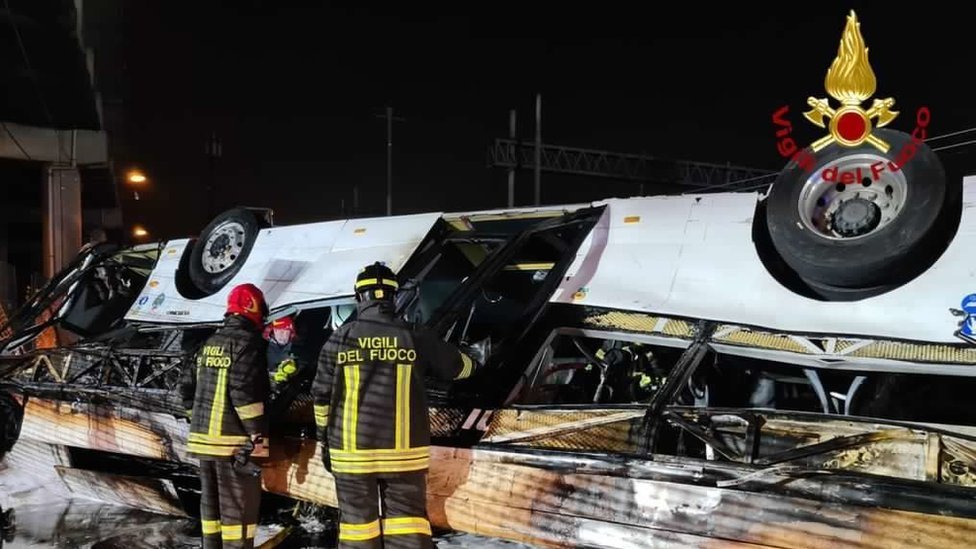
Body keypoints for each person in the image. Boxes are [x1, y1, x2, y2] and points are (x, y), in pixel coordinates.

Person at [312, 262, 484, 549]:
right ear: (394, 297)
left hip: (352, 455)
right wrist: (476, 363)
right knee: (407, 527)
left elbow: (321, 398)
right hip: (404, 454)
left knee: (357, 528)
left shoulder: (339, 339)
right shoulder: (415, 335)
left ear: (359, 297)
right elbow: (458, 367)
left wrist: (323, 441)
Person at [180, 283, 271, 549]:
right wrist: (258, 439)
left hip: (203, 442)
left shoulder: (208, 343)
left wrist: (195, 419)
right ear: (254, 307)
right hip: (233, 445)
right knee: (238, 515)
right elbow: (246, 396)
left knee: (212, 513)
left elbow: (185, 387)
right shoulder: (246, 343)